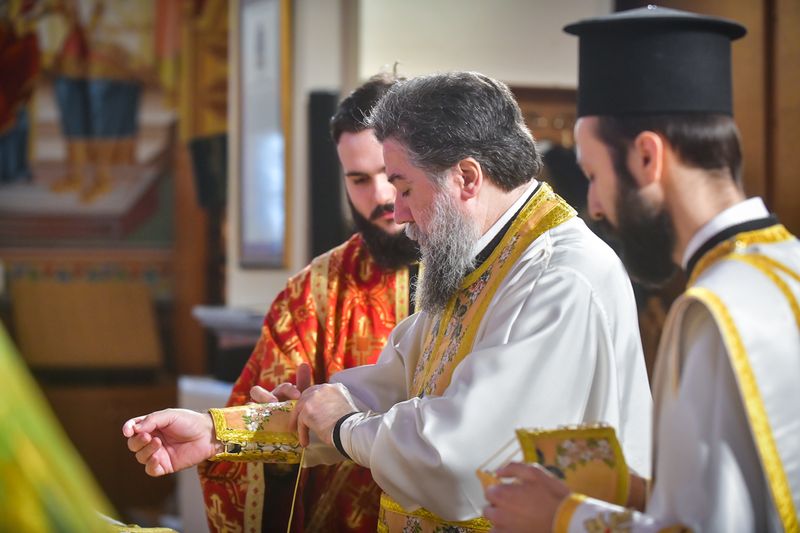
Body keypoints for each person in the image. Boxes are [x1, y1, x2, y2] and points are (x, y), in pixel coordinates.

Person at [124, 71, 653, 532]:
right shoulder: (480, 255)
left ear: (467, 178)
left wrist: (341, 425)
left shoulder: (558, 275)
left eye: (403, 186)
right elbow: (393, 387)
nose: (396, 211)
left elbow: (457, 458)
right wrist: (221, 432)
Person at [482, 6, 800, 533]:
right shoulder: (785, 267)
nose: (595, 207)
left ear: (647, 158)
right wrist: (632, 493)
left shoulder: (715, 312)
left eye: (593, 175)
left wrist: (561, 517)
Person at [199, 73, 419, 533]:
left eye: (390, 175)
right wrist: (282, 432)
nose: (380, 196)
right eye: (359, 180)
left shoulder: (485, 277)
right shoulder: (315, 292)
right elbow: (247, 440)